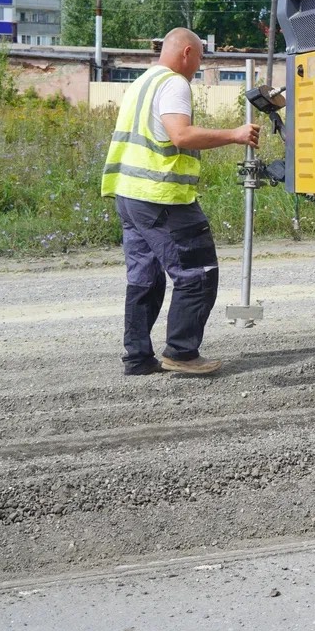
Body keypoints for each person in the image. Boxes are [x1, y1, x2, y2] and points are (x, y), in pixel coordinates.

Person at [100, 27, 260, 376]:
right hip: (162, 197)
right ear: (187, 52)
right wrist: (234, 134)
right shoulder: (174, 83)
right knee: (198, 274)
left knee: (145, 278)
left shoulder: (143, 82)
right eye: (200, 58)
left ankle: (138, 358)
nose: (199, 66)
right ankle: (182, 352)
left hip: (129, 195)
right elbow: (181, 134)